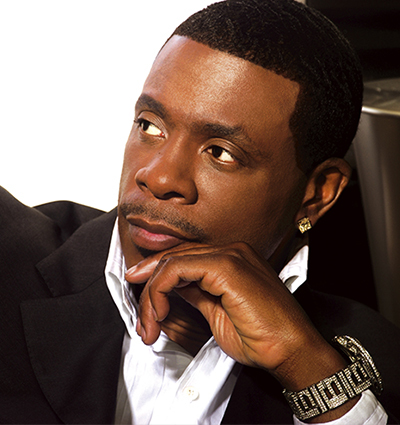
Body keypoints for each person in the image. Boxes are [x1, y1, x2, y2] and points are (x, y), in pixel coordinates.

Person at [1, 0, 400, 424]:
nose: (158, 177)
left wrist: (309, 373)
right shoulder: (9, 258)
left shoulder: (369, 368)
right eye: (150, 125)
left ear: (317, 194)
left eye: (220, 152)